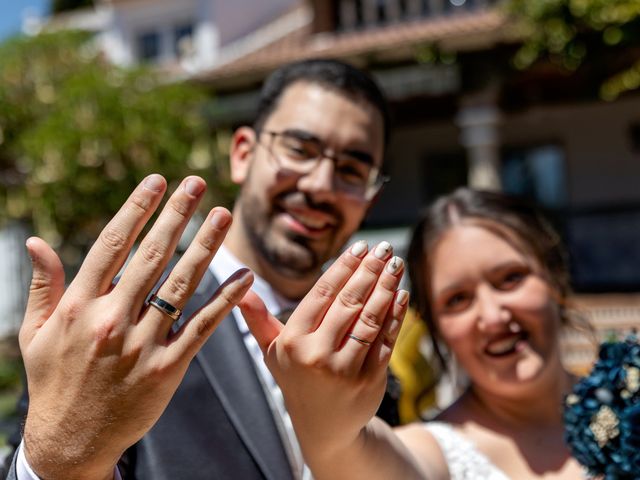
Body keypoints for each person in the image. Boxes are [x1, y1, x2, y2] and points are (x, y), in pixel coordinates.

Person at [6, 59, 405, 479]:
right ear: (243, 155)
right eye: (300, 150)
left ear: (369, 199)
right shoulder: (120, 320)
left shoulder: (369, 349)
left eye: (351, 170)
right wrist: (59, 458)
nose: (321, 184)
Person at [242, 188, 589, 479]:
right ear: (434, 325)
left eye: (510, 278)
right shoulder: (430, 454)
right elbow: (348, 456)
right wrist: (325, 422)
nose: (493, 316)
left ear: (553, 275)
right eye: (458, 299)